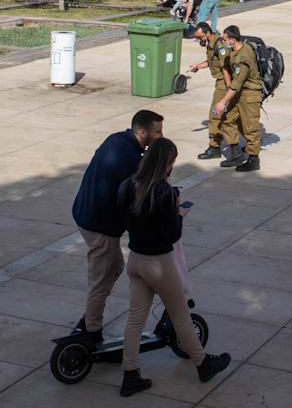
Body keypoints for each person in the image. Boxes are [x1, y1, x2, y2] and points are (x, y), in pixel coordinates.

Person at [113, 138, 231, 396]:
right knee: (181, 317)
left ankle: (130, 374)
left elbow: (123, 218)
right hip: (159, 263)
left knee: (135, 320)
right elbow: (171, 236)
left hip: (135, 259)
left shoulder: (127, 186)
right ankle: (202, 364)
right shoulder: (166, 194)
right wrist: (179, 214)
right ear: (167, 163)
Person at [69, 110, 164, 341]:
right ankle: (91, 332)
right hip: (99, 226)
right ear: (142, 132)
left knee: (114, 267)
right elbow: (139, 196)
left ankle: (90, 320)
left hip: (85, 214)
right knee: (101, 281)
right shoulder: (131, 160)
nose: (161, 136)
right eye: (158, 131)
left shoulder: (116, 139)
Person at [215, 26, 264, 172]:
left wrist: (223, 101)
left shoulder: (243, 57)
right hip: (240, 93)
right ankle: (236, 152)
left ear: (232, 40)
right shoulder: (238, 49)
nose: (223, 42)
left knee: (250, 127)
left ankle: (253, 159)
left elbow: (237, 83)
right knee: (228, 118)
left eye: (225, 40)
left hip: (250, 94)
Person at [187, 24, 232, 160]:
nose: (199, 40)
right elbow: (212, 61)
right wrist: (198, 66)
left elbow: (225, 68)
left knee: (214, 114)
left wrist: (230, 89)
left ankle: (214, 147)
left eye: (200, 37)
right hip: (222, 82)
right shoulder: (212, 44)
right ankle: (243, 144)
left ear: (207, 33)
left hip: (224, 83)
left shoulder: (220, 45)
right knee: (230, 116)